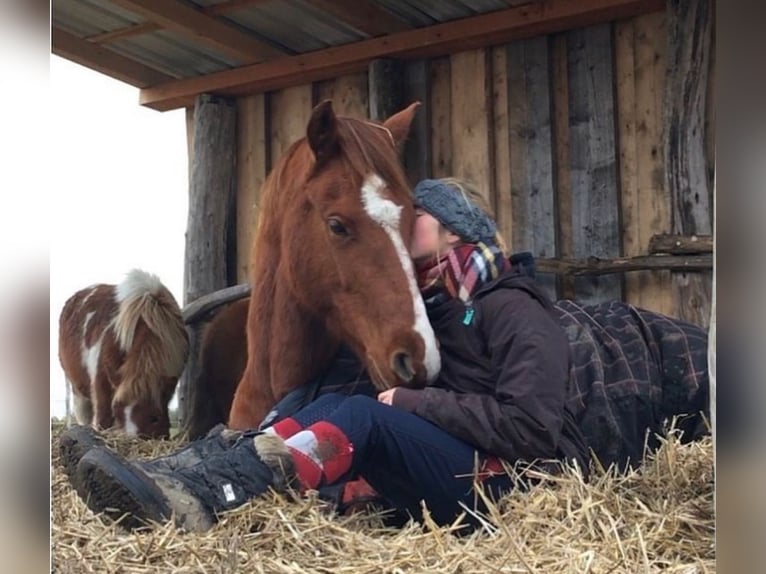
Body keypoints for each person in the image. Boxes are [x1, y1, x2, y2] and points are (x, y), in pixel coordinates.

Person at [59, 178, 709, 533]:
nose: (401, 239)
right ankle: (182, 476)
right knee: (327, 397)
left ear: (457, 234)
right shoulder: (446, 318)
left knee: (364, 416)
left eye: (417, 225)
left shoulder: (512, 308)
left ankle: (217, 497)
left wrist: (415, 402)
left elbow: (536, 427)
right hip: (465, 470)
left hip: (514, 485)